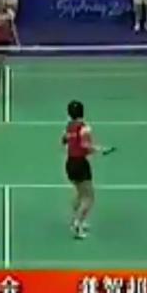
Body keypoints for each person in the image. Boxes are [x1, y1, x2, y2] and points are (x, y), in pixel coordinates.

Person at [62, 100, 104, 239]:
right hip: (80, 164)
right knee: (89, 198)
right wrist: (98, 149)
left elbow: (64, 140)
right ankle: (78, 225)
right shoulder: (84, 128)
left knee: (80, 194)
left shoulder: (69, 126)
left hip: (70, 163)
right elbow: (85, 145)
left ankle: (74, 220)